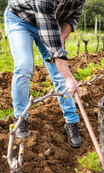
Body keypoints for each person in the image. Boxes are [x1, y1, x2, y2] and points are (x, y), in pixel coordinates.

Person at [4, 0, 85, 148]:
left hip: (48, 24)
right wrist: (69, 77)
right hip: (20, 19)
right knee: (24, 66)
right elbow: (50, 39)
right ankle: (20, 118)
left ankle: (71, 122)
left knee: (59, 73)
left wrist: (62, 36)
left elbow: (72, 17)